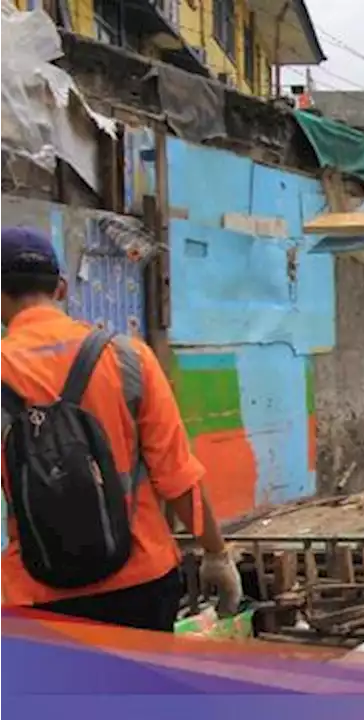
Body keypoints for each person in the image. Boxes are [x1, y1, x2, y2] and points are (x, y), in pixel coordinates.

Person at [0, 227, 241, 631]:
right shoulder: (128, 358)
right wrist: (216, 553)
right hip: (141, 580)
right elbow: (177, 476)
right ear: (61, 289)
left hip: (36, 590)